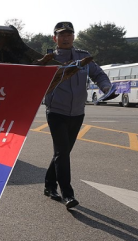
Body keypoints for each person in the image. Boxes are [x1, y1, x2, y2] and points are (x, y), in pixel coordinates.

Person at [43, 21, 111, 209]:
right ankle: (68, 194)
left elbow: (98, 74)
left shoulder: (84, 57)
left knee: (62, 152)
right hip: (56, 112)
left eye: (69, 34)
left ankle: (49, 185)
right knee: (63, 152)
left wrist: (106, 87)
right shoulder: (50, 59)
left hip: (77, 113)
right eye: (62, 35)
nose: (66, 38)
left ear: (73, 37)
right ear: (54, 38)